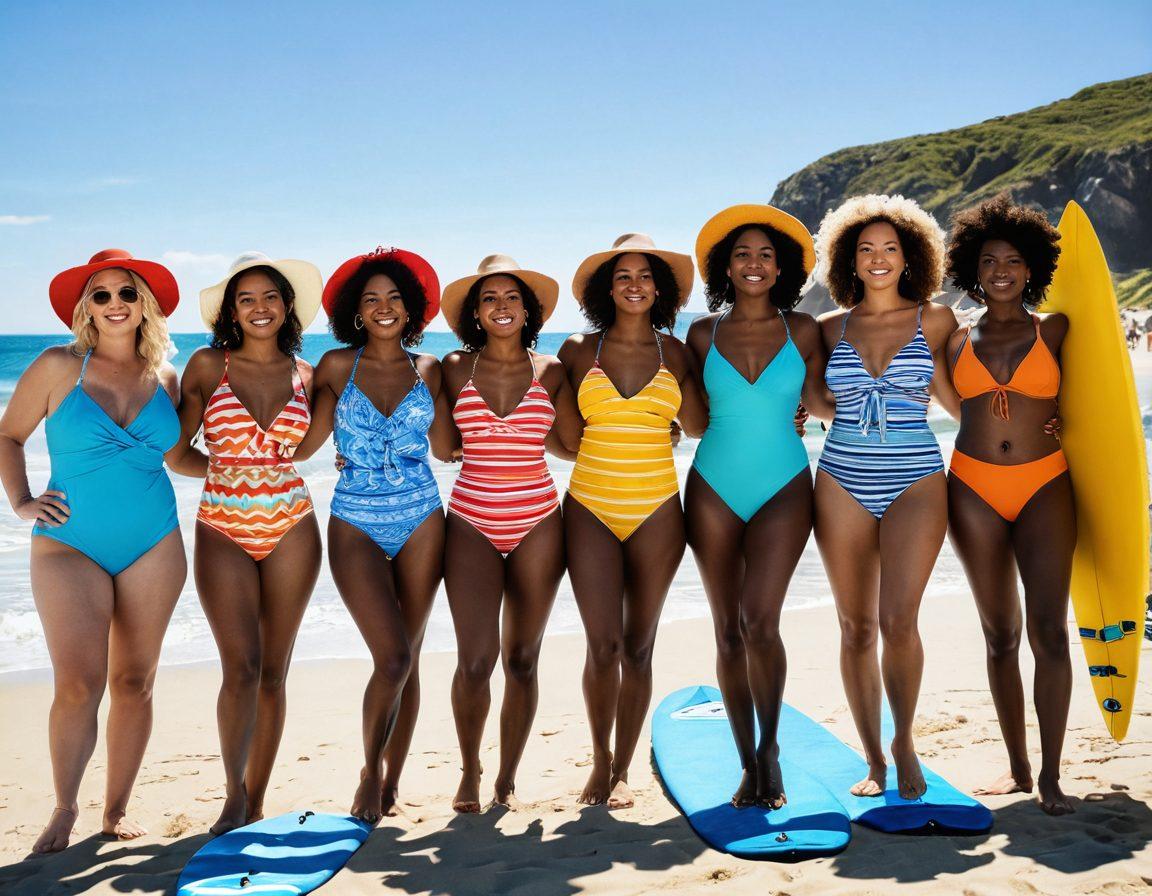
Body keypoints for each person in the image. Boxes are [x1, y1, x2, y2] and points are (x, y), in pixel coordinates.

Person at [0, 250, 185, 852]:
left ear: (145, 305)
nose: (113, 305)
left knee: (134, 681)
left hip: (154, 539)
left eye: (125, 293)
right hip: (69, 543)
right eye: (100, 295)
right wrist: (22, 500)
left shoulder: (166, 379)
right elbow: (8, 434)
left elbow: (180, 456)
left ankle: (116, 809)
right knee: (79, 683)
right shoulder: (59, 367)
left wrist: (260, 470)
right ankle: (64, 806)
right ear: (85, 308)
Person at [167, 252, 324, 834]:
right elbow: (176, 449)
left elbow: (311, 447)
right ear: (232, 311)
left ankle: (257, 797)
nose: (260, 308)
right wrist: (226, 472)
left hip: (292, 524)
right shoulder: (210, 365)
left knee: (275, 671)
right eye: (246, 299)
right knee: (240, 667)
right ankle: (233, 795)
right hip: (223, 525)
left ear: (287, 306)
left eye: (270, 297)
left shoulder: (307, 374)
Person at [294, 247, 450, 823]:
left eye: (394, 299)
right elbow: (304, 442)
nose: (384, 308)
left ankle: (393, 784)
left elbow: (450, 446)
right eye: (371, 300)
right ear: (356, 312)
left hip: (423, 517)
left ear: (410, 310)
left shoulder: (430, 369)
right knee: (391, 658)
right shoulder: (336, 365)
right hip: (355, 518)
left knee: (407, 659)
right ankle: (368, 772)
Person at [813, 196, 958, 800]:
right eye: (866, 249)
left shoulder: (937, 321)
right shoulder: (829, 328)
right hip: (842, 473)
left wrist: (1035, 424)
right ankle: (873, 759)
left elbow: (958, 402)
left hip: (916, 477)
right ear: (849, 258)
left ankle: (905, 743)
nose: (878, 259)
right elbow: (818, 405)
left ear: (911, 257)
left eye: (890, 249)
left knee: (900, 621)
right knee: (855, 627)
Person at [685, 205, 830, 808]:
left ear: (782, 268)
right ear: (725, 266)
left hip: (785, 486)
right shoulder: (700, 335)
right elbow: (688, 418)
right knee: (726, 632)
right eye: (742, 254)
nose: (753, 263)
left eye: (765, 255)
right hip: (712, 486)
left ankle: (771, 748)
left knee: (759, 623)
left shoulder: (803, 329)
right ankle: (747, 761)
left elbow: (825, 399)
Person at [559, 234, 708, 808]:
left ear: (661, 289)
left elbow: (697, 425)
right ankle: (600, 764)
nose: (635, 285)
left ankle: (624, 768)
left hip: (657, 510)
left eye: (645, 276)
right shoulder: (578, 350)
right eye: (623, 276)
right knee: (603, 645)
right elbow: (558, 432)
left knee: (638, 648)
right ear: (606, 289)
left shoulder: (676, 353)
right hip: (590, 507)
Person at [944, 194, 1075, 815]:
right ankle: (1018, 768)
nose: (1001, 270)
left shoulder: (1056, 329)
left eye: (1014, 260)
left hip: (1046, 484)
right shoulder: (955, 339)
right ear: (973, 268)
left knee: (1049, 632)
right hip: (972, 487)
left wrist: (1062, 427)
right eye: (990, 259)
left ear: (1032, 270)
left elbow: (1094, 407)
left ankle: (1051, 772)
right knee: (1000, 634)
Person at [438, 255, 582, 812]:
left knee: (523, 657)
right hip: (471, 520)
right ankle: (471, 769)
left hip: (539, 520)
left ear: (528, 310)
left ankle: (507, 777)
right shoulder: (454, 367)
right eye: (490, 298)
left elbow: (569, 445)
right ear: (476, 312)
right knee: (475, 660)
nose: (502, 306)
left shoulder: (551, 370)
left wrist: (652, 427)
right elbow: (440, 444)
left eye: (512, 298)